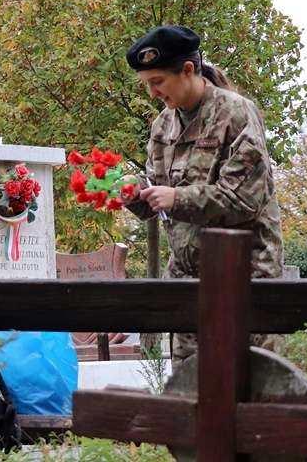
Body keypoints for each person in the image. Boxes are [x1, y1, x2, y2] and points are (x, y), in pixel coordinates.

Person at [122, 24, 283, 363]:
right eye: (146, 84)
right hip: (187, 279)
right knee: (189, 391)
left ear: (188, 70)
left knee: (247, 389)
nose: (152, 94)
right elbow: (156, 194)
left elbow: (245, 200)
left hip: (243, 277)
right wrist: (133, 193)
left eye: (157, 82)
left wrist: (177, 198)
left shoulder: (235, 113)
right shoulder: (163, 125)